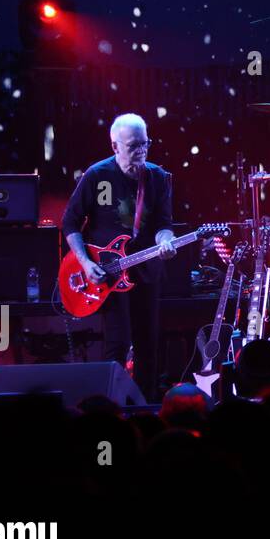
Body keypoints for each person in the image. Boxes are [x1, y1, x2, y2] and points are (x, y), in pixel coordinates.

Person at [62, 113, 175, 401]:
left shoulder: (158, 177)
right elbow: (70, 223)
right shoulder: (97, 175)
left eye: (145, 144)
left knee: (148, 344)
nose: (141, 151)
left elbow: (164, 224)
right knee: (117, 343)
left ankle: (147, 409)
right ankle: (112, 409)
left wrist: (167, 241)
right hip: (107, 273)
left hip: (146, 270)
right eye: (133, 146)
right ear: (115, 146)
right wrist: (86, 263)